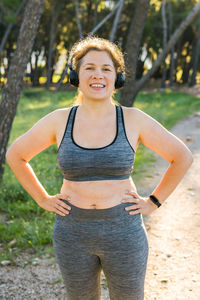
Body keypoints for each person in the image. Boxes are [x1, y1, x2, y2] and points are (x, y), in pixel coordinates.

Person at [6, 36, 193, 300]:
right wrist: (42, 199)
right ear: (75, 75)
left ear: (117, 77)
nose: (98, 75)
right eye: (89, 68)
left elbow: (181, 156)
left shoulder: (133, 119)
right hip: (72, 232)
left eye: (106, 68)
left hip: (123, 231)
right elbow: (16, 155)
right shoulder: (59, 121)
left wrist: (153, 201)